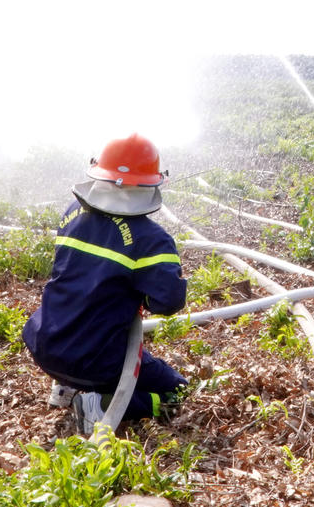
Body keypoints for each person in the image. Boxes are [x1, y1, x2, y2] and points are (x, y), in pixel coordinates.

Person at [22, 133, 189, 434]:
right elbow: (169, 302)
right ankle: (98, 404)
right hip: (94, 360)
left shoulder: (72, 213)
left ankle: (64, 388)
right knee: (176, 389)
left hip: (44, 343)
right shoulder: (151, 240)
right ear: (149, 184)